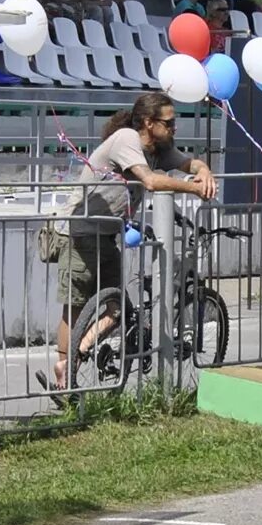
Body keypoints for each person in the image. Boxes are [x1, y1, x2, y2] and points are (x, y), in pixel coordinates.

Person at [56, 92, 215, 390]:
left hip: (107, 234)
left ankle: (73, 360)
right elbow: (151, 182)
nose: (174, 128)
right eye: (168, 122)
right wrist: (193, 190)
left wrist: (203, 171)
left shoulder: (159, 148)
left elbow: (190, 164)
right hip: (77, 232)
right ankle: (65, 373)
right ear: (148, 122)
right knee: (75, 307)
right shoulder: (127, 138)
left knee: (117, 310)